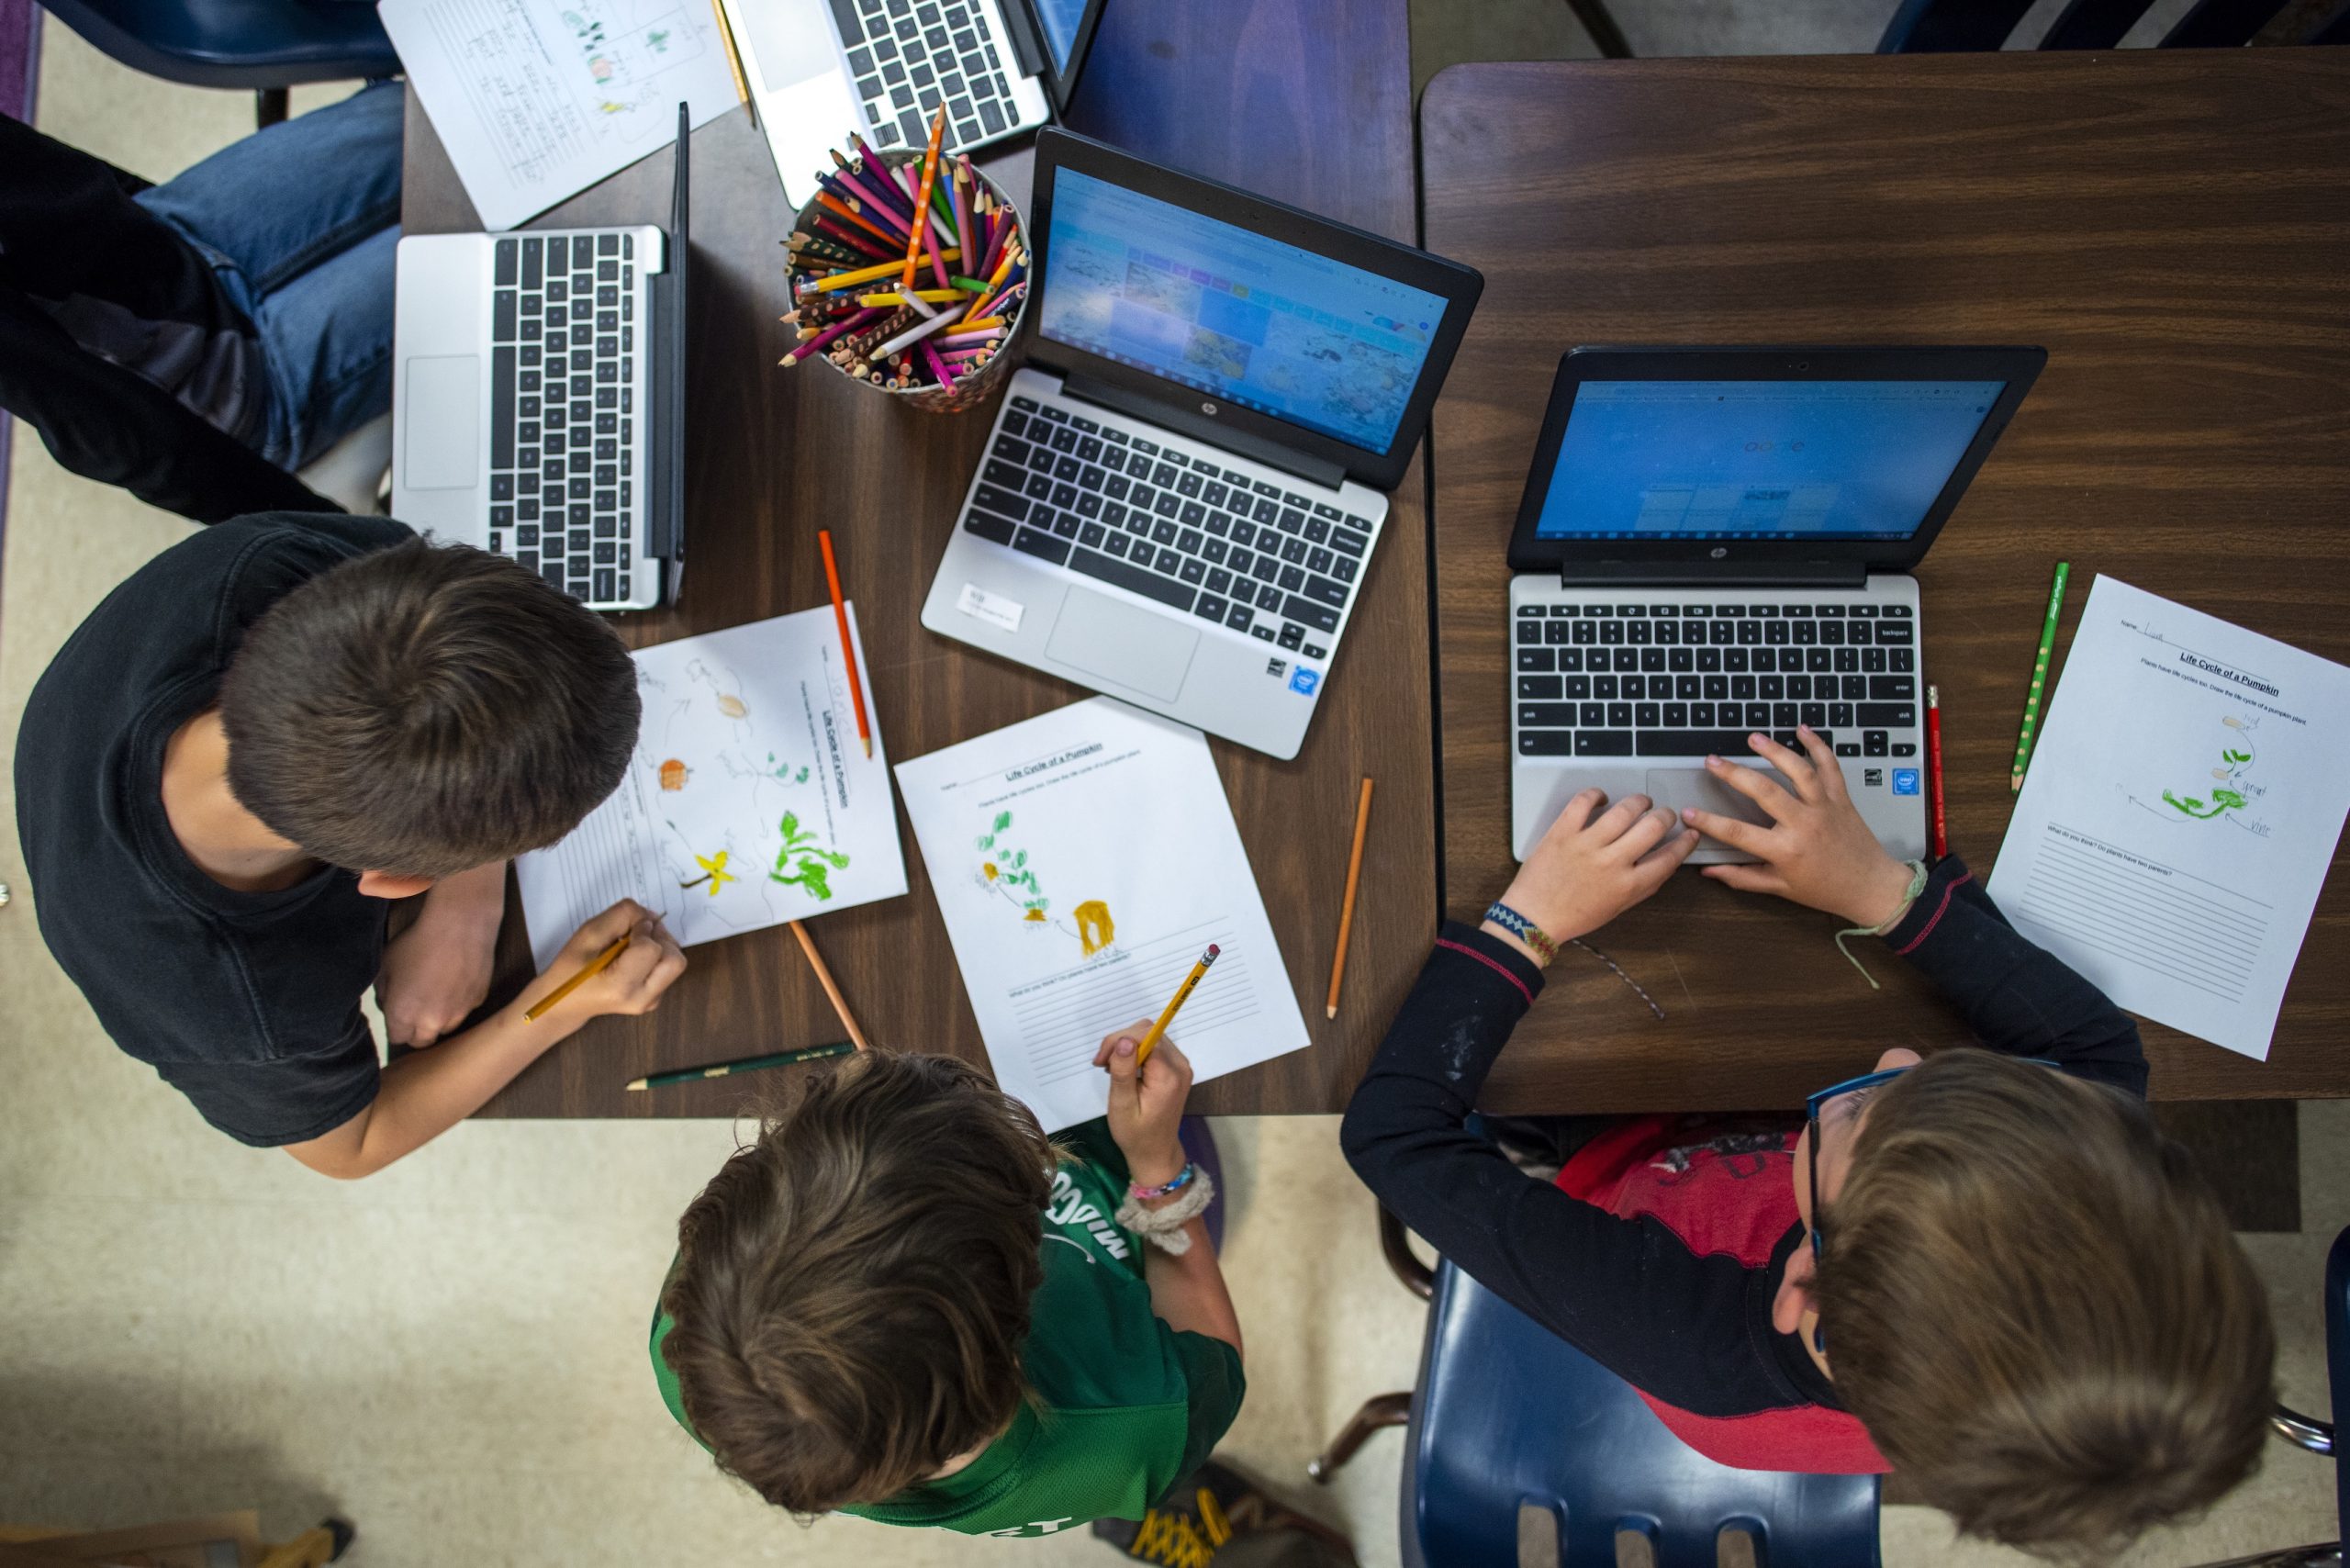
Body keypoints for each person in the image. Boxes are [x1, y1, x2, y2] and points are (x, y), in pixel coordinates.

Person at [1342, 728, 2276, 1562]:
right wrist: (1880, 889)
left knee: (1528, 1095)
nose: (1897, 1053)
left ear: (1800, 1287)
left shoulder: (1683, 1331)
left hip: (1623, 1166)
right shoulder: (2092, 1164)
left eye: (1859, 1106)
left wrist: (1527, 922)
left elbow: (1393, 1136)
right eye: (1944, 1078)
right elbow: (2098, 1051)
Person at [14, 511, 688, 1177]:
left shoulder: (294, 575)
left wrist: (466, 909)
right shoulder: (238, 1010)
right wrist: (558, 1006)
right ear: (393, 880)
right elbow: (351, 1147)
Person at [650, 1034, 1245, 1539]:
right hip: (1126, 1204)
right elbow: (1213, 1342)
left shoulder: (697, 1336)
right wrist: (1157, 1163)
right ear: (1023, 1284)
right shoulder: (1133, 1428)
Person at [0, 81, 402, 521]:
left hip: (183, 233)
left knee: (435, 110)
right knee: (468, 244)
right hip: (235, 385)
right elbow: (108, 431)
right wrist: (313, 523)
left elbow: (50, 178)